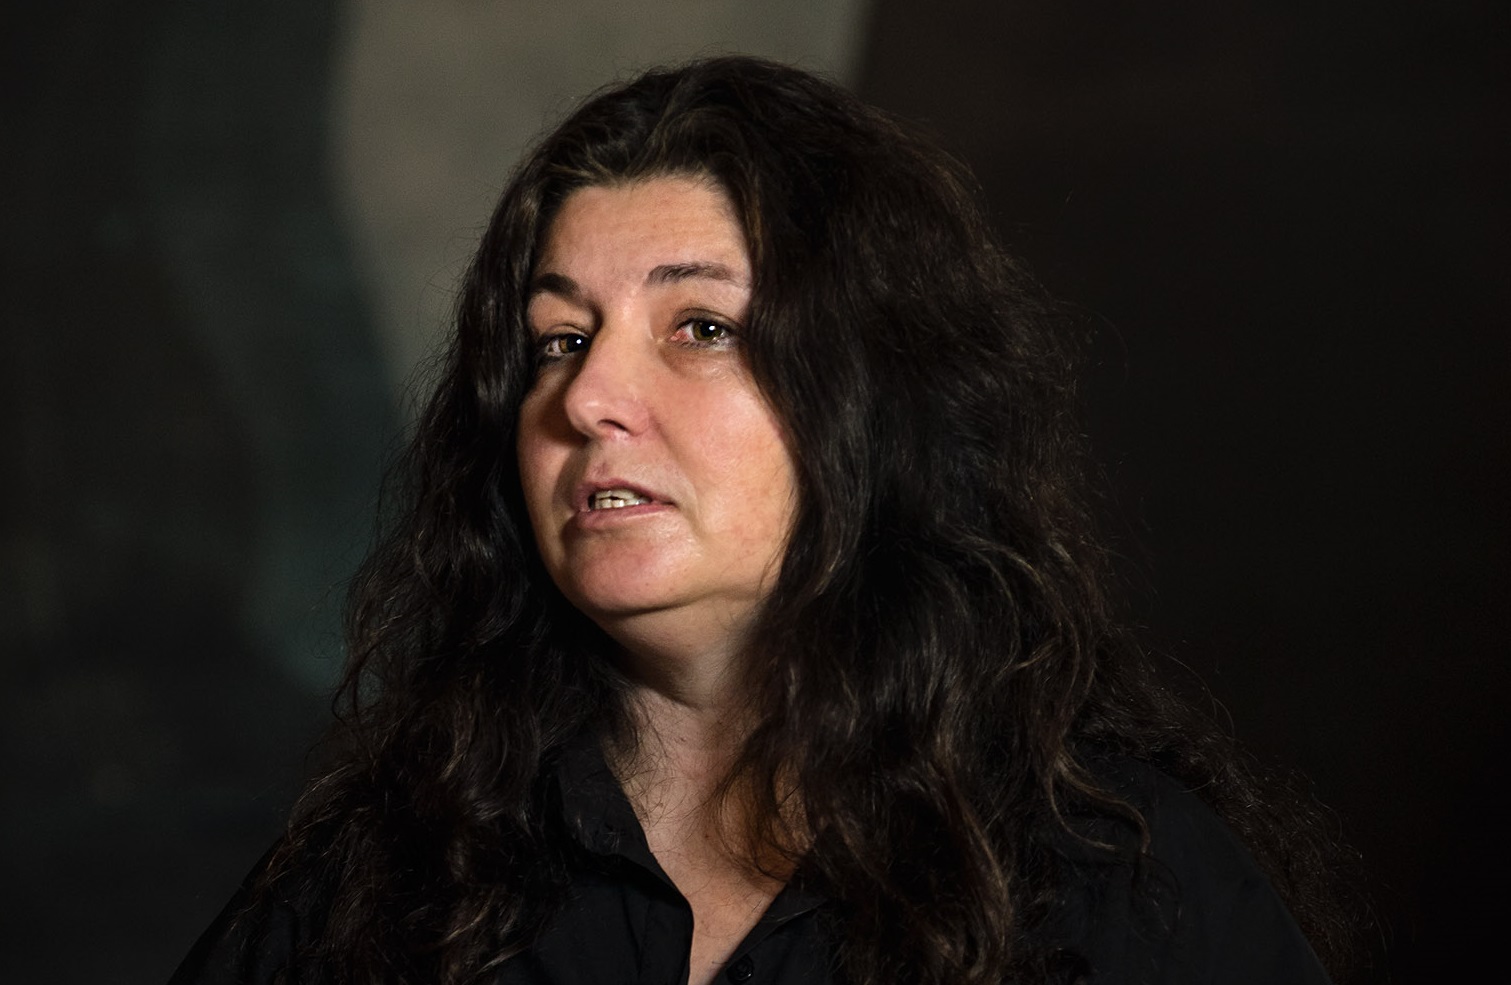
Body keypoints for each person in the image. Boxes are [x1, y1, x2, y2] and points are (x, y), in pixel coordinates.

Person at [172, 56, 1361, 985]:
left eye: (700, 327)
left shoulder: (1127, 884)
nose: (587, 397)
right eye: (559, 340)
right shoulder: (379, 883)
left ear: (873, 396)